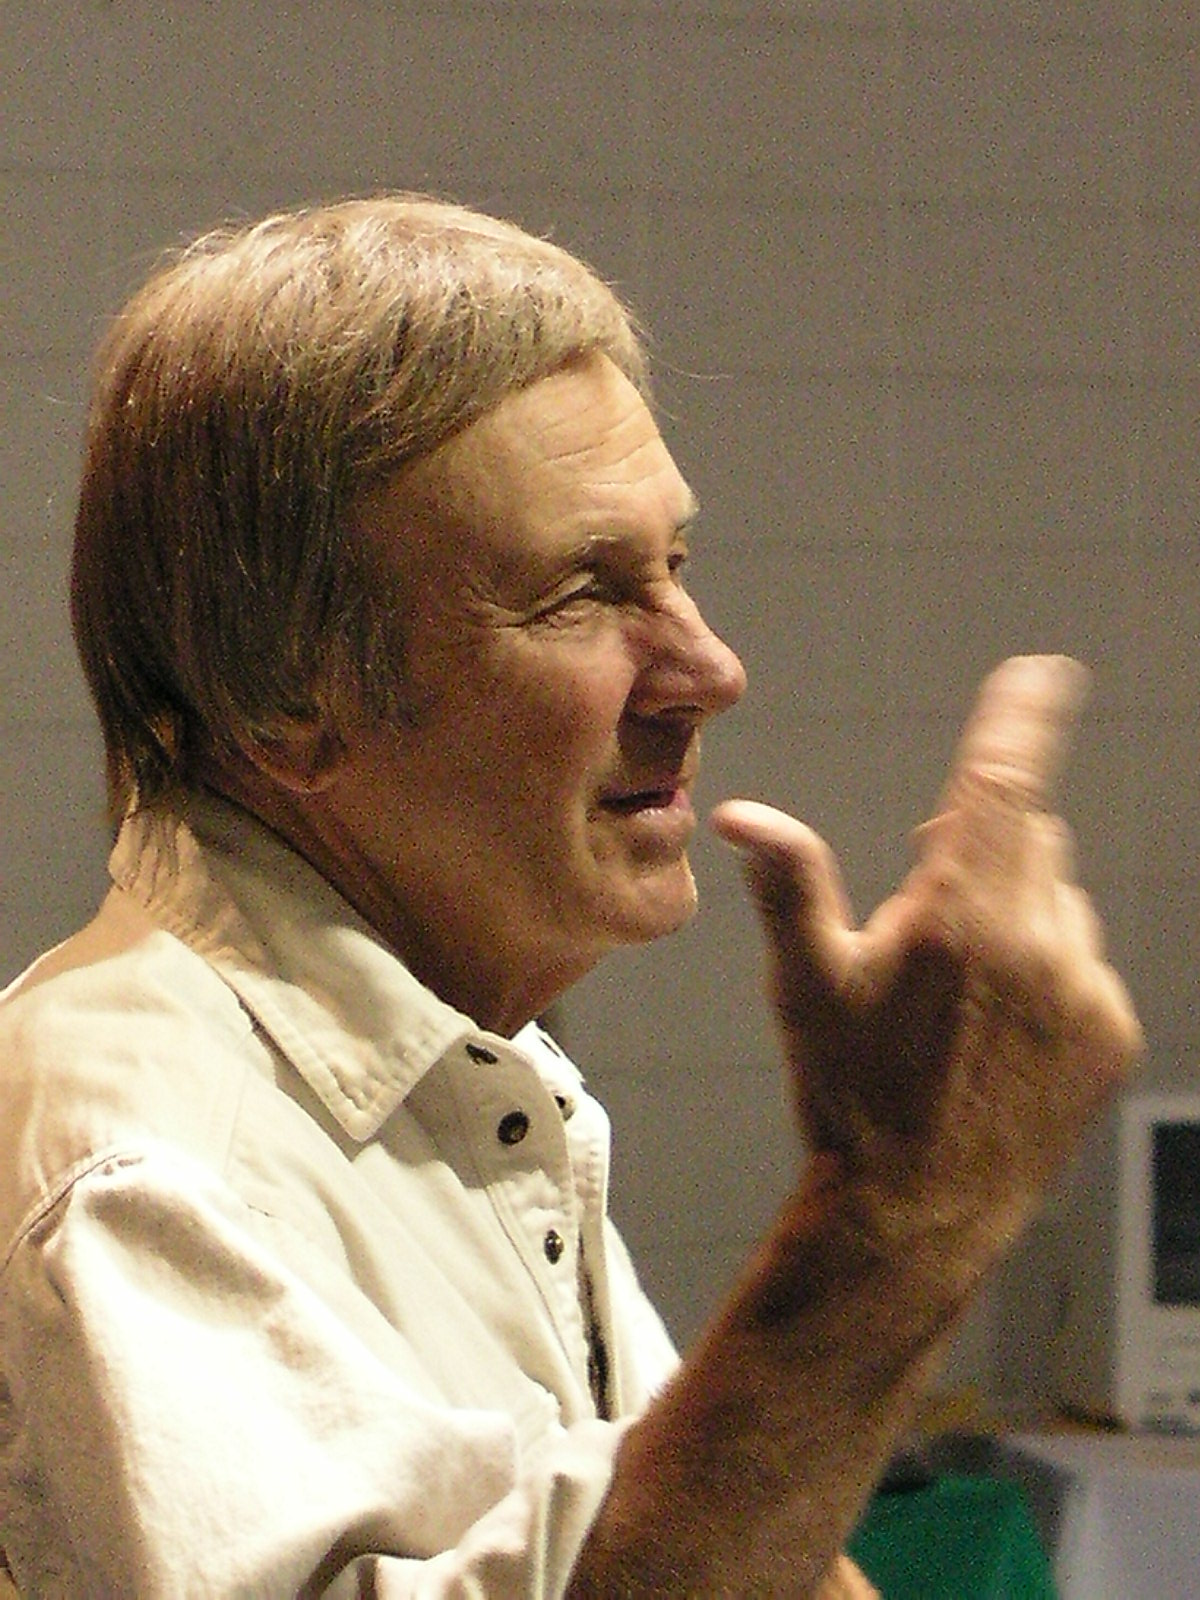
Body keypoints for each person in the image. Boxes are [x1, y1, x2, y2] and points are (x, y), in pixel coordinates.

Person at [0, 194, 1140, 1598]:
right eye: (582, 594)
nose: (710, 669)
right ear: (286, 696)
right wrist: (899, 1211)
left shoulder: (463, 1078)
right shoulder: (149, 1169)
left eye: (675, 567)